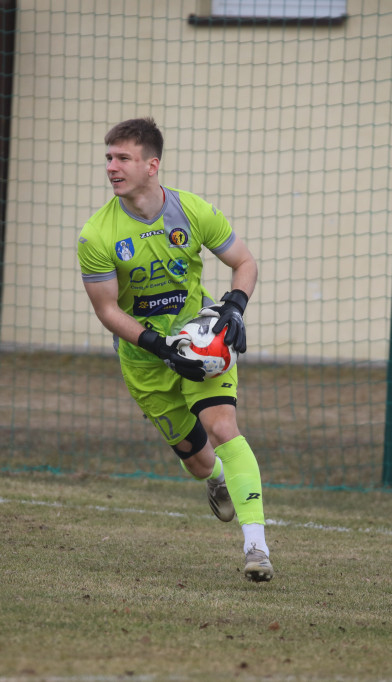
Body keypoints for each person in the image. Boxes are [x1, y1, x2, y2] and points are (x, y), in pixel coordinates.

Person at [77, 117, 274, 582]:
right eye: (108, 157)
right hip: (145, 361)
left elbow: (244, 261)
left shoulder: (191, 211)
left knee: (224, 428)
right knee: (199, 459)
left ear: (152, 165)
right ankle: (214, 480)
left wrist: (236, 308)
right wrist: (160, 347)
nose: (111, 167)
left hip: (201, 342)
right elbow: (107, 310)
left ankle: (257, 546)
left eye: (122, 158)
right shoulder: (97, 236)